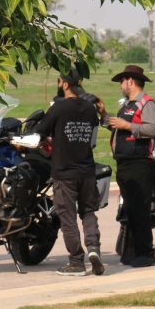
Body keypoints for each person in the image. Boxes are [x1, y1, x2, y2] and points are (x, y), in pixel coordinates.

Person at [37, 70, 104, 277]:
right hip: (87, 171)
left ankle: (76, 262)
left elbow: (40, 131)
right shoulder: (90, 109)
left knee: (67, 217)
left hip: (64, 172)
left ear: (65, 84)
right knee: (88, 212)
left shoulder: (58, 108)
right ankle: (93, 248)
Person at [106, 64, 155, 267]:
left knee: (140, 209)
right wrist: (104, 115)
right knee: (129, 209)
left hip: (139, 163)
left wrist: (127, 125)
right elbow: (118, 127)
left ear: (130, 81)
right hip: (124, 163)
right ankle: (131, 252)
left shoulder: (147, 103)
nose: (120, 85)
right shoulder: (127, 105)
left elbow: (152, 129)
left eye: (122, 81)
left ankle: (146, 254)